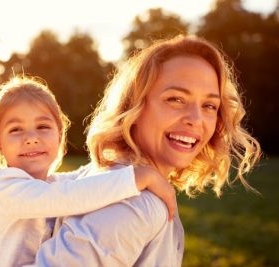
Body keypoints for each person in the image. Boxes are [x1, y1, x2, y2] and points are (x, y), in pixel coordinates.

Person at [29, 36, 262, 266]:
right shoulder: (134, 205)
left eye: (209, 105)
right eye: (176, 99)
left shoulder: (102, 178)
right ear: (135, 107)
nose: (196, 119)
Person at [0, 76, 177, 267]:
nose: (31, 138)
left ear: (59, 134)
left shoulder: (45, 184)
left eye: (42, 127)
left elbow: (77, 179)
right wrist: (138, 177)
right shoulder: (2, 185)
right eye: (15, 130)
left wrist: (120, 162)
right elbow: (68, 195)